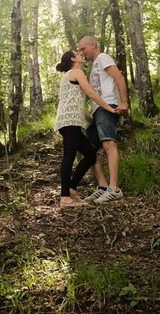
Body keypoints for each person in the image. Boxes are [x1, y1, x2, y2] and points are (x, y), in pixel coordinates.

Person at [54, 50, 120, 208]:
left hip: (69, 121)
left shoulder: (67, 76)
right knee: (69, 156)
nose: (81, 55)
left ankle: (70, 189)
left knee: (90, 154)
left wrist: (92, 119)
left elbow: (74, 103)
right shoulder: (77, 71)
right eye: (78, 53)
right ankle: (65, 198)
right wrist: (109, 109)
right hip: (70, 123)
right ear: (73, 59)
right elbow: (91, 93)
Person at [77, 35, 129, 204]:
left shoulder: (103, 57)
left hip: (108, 106)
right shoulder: (94, 67)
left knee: (108, 144)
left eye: (83, 48)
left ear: (93, 45)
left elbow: (119, 78)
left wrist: (123, 102)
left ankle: (114, 189)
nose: (81, 52)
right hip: (98, 111)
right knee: (89, 150)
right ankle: (102, 186)